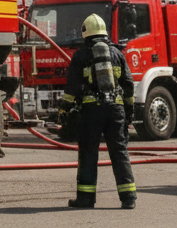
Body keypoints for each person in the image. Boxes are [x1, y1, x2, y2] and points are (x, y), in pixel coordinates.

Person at [59, 14, 137, 209]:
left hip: (91, 111)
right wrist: (129, 112)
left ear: (85, 33)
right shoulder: (118, 54)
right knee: (119, 152)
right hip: (116, 110)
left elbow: (72, 89)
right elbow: (128, 84)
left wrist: (63, 111)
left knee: (88, 153)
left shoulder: (81, 55)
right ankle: (128, 198)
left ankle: (85, 199)